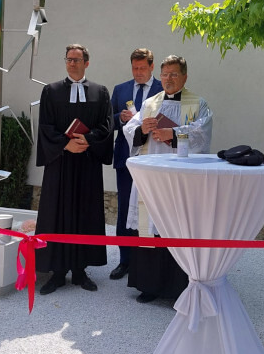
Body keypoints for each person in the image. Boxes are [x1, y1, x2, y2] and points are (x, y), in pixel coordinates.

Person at [124, 54, 212, 303]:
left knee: (177, 228)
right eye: (165, 74)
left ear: (185, 76)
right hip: (152, 178)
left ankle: (178, 288)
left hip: (180, 180)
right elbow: (129, 129)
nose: (168, 79)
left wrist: (172, 134)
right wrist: (141, 129)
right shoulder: (150, 103)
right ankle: (149, 285)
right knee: (149, 228)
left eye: (174, 74)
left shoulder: (198, 103)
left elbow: (203, 135)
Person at [35, 44, 114, 294]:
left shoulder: (100, 92)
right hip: (60, 163)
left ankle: (80, 271)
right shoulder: (51, 91)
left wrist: (87, 140)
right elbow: (45, 126)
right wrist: (65, 144)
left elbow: (107, 125)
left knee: (85, 213)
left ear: (86, 63)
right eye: (68, 59)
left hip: (87, 163)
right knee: (57, 214)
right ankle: (57, 273)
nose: (71, 63)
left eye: (76, 60)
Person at [109, 48, 162, 280]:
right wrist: (120, 119)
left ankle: (147, 263)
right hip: (126, 158)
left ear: (152, 66)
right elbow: (107, 121)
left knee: (151, 210)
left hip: (154, 160)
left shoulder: (163, 89)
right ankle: (125, 261)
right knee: (124, 210)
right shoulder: (120, 89)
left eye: (142, 68)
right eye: (134, 68)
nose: (138, 72)